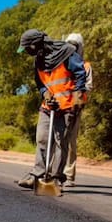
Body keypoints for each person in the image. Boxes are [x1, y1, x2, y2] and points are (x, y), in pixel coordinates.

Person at [15, 29, 87, 191]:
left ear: (35, 45)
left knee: (61, 142)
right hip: (49, 106)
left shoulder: (67, 53)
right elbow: (39, 82)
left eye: (27, 48)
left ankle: (55, 178)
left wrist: (77, 98)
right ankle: (38, 174)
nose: (27, 52)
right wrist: (46, 94)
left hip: (68, 106)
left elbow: (80, 74)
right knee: (42, 138)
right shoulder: (39, 60)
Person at [61, 33, 93, 187]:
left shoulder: (86, 66)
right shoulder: (61, 64)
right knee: (57, 141)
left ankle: (68, 176)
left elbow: (89, 86)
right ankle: (54, 173)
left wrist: (77, 98)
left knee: (71, 141)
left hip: (75, 107)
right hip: (60, 106)